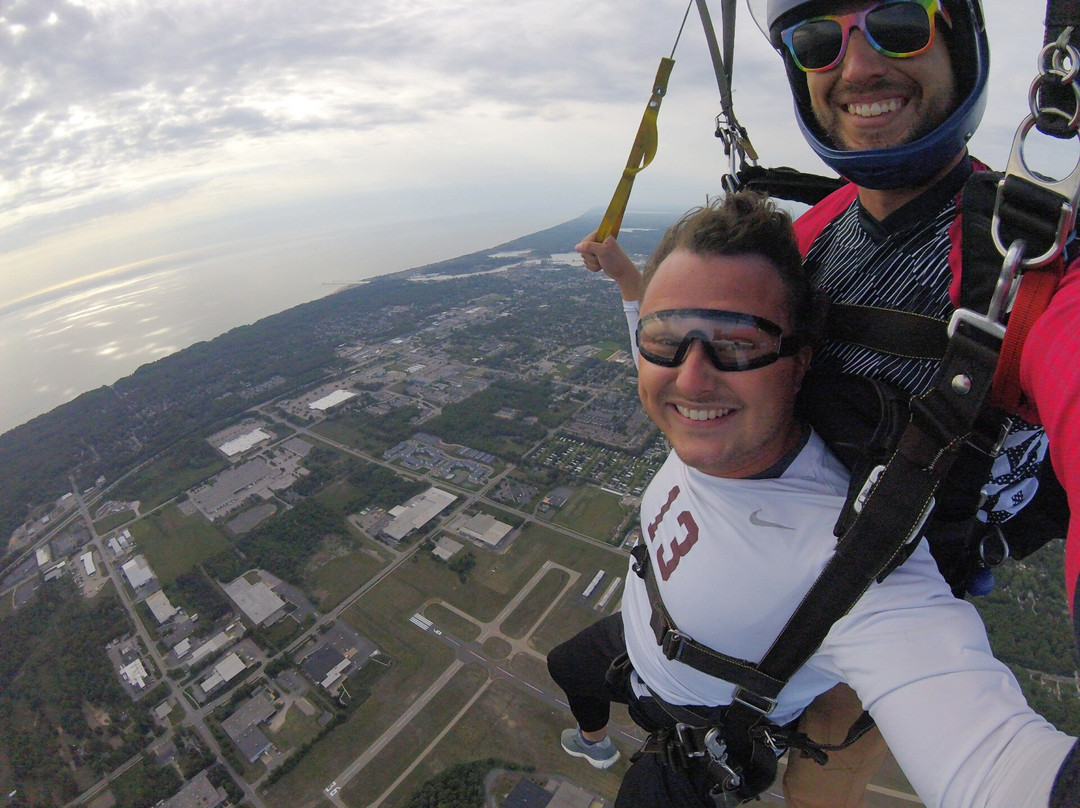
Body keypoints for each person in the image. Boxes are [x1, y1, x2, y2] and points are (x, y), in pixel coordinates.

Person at [576, 1, 1080, 805]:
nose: (856, 67)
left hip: (890, 578)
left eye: (900, 23)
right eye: (818, 41)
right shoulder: (815, 235)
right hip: (794, 551)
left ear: (959, 40)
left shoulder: (1040, 270)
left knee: (829, 752)